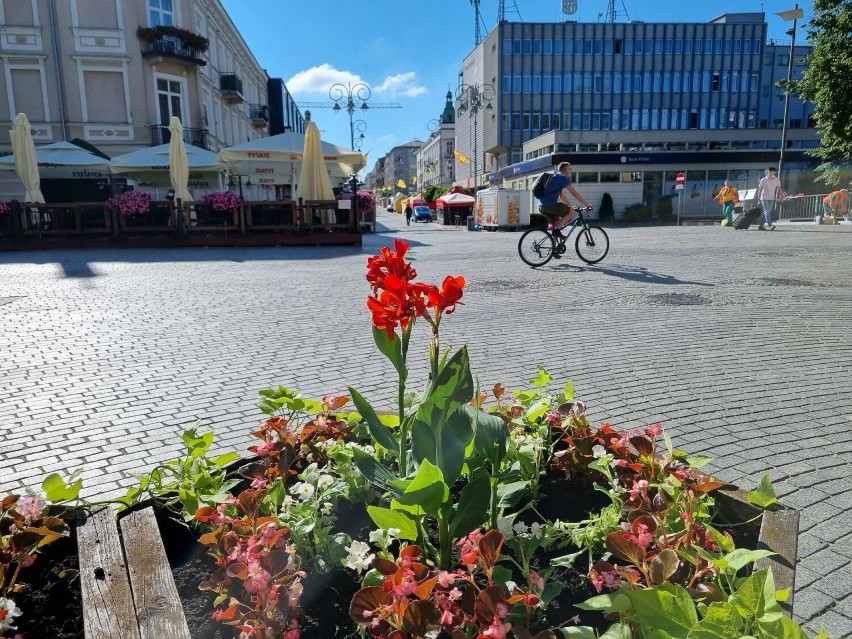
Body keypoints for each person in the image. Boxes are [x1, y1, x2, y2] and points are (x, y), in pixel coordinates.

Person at [538, 162, 593, 231]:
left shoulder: (554, 176)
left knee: (557, 223)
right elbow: (575, 194)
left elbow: (562, 196)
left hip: (542, 207)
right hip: (550, 206)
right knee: (572, 212)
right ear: (565, 169)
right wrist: (587, 204)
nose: (571, 171)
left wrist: (570, 206)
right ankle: (557, 230)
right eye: (570, 169)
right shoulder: (562, 177)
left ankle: (554, 240)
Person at [756, 167, 782, 231]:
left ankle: (761, 226)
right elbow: (760, 190)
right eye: (769, 172)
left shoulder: (777, 180)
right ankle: (770, 225)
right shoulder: (763, 180)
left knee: (767, 212)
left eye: (771, 172)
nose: (769, 173)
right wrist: (758, 200)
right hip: (764, 198)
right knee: (767, 211)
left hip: (772, 198)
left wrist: (782, 196)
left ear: (774, 172)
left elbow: (779, 189)